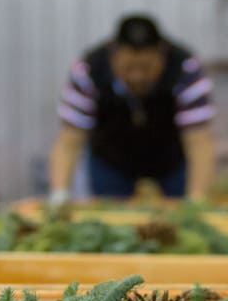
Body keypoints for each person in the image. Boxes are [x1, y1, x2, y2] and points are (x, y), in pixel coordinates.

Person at [49, 14, 216, 204]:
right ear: (114, 53)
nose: (137, 76)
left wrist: (197, 199)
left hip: (171, 160)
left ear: (161, 53)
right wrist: (59, 194)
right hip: (112, 160)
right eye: (128, 68)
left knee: (181, 219)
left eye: (146, 68)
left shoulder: (186, 69)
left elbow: (199, 141)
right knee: (111, 221)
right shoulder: (88, 70)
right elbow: (69, 141)